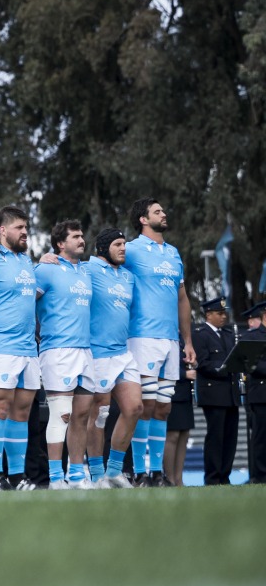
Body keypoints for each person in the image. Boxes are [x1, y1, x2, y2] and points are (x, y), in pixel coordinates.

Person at [122, 198, 196, 487]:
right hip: (142, 337)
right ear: (143, 219)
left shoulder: (174, 253)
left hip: (170, 341)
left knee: (164, 408)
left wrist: (187, 341)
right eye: (157, 211)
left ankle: (156, 472)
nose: (164, 214)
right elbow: (101, 264)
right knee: (147, 405)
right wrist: (56, 258)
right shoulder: (131, 249)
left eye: (163, 210)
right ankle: (141, 471)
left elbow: (182, 298)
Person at [0, 206, 39, 490]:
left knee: (21, 413)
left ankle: (16, 476)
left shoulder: (26, 261)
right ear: (3, 230)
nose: (25, 232)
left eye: (26, 227)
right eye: (19, 228)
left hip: (28, 348)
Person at [34, 220, 93, 489]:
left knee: (82, 415)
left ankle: (77, 474)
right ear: (60, 243)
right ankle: (56, 477)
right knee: (61, 415)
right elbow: (25, 302)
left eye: (82, 236)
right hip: (57, 350)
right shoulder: (46, 269)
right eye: (75, 236)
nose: (81, 240)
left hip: (85, 351)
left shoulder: (87, 271)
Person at [84, 228, 142, 488]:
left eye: (125, 244)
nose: (123, 249)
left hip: (123, 352)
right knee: (99, 414)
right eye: (118, 244)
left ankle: (114, 470)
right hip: (97, 353)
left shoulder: (128, 277)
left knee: (134, 408)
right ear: (103, 247)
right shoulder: (89, 269)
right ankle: (96, 476)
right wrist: (50, 258)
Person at [192, 297, 238, 486]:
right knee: (215, 436)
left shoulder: (228, 334)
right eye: (219, 313)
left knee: (230, 437)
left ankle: (225, 476)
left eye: (224, 313)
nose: (223, 316)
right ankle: (212, 477)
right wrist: (224, 367)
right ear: (208, 315)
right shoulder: (201, 334)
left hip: (230, 392)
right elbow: (202, 362)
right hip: (213, 393)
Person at [240, 302, 266, 483]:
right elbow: (251, 364)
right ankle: (260, 475)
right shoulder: (253, 336)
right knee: (261, 437)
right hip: (262, 393)